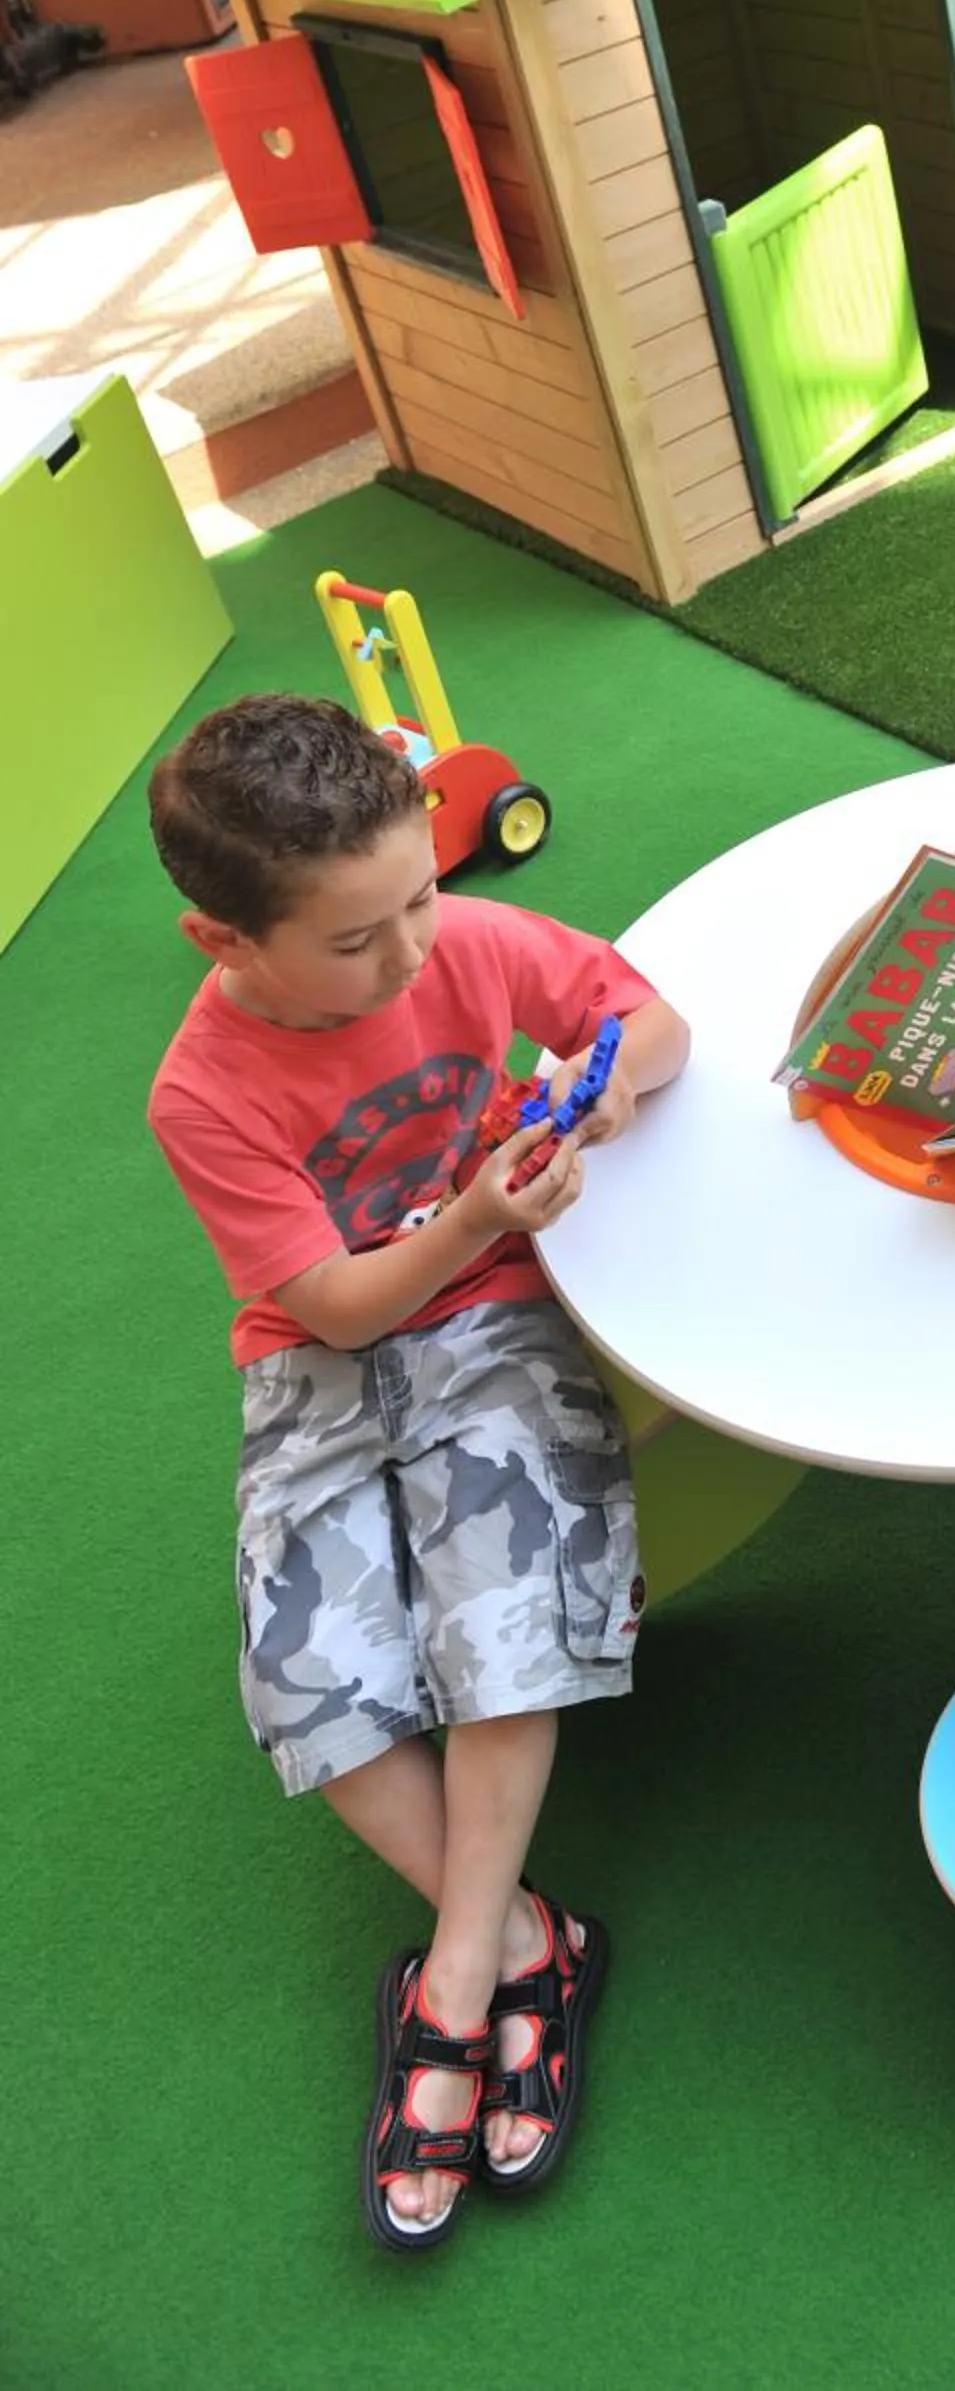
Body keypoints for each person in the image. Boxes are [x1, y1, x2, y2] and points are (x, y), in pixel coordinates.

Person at [146, 693, 691, 2250]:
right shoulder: (201, 1094)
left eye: (422, 901)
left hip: (497, 1317)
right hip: (327, 1343)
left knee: (500, 1620)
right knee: (308, 1684)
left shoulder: (463, 939)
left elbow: (651, 1019)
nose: (409, 960)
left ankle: (459, 1979)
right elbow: (331, 1305)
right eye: (355, 942)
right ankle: (530, 1936)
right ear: (220, 941)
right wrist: (474, 1214)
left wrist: (603, 1083)